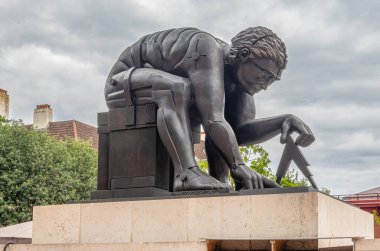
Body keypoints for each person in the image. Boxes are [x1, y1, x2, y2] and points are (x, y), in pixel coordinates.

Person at [105, 27, 315, 191]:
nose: (266, 84)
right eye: (265, 74)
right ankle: (186, 174)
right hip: (123, 83)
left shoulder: (240, 83)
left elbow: (238, 132)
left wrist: (282, 121)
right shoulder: (206, 48)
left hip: (150, 87)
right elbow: (212, 120)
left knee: (217, 119)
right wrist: (239, 166)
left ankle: (219, 180)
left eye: (272, 80)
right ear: (244, 55)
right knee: (177, 89)